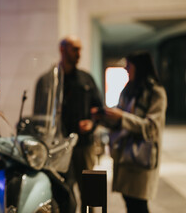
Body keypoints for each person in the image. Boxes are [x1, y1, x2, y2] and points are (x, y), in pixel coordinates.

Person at [34, 36, 103, 212]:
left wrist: (92, 124)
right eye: (75, 49)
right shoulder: (48, 81)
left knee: (92, 194)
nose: (79, 54)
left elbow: (99, 110)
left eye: (80, 49)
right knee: (64, 193)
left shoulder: (86, 79)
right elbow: (39, 114)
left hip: (84, 145)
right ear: (62, 50)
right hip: (59, 147)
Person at [92, 51, 167, 213]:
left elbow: (151, 127)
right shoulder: (129, 90)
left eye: (129, 65)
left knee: (138, 204)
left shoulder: (156, 92)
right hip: (124, 156)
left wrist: (121, 116)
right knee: (130, 202)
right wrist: (102, 117)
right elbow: (120, 121)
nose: (125, 68)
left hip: (141, 157)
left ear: (139, 67)